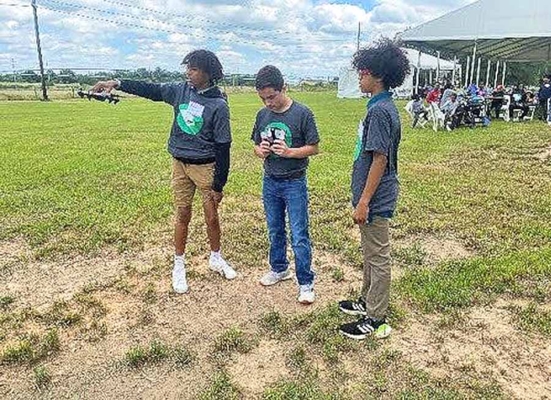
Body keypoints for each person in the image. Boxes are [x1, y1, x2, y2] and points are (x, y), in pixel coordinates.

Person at [91, 49, 237, 294]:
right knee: (182, 215)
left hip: (205, 167)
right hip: (179, 163)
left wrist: (218, 185)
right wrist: (115, 82)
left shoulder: (218, 105)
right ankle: (178, 265)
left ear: (208, 73)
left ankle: (216, 257)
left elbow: (224, 145)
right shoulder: (180, 90)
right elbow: (151, 90)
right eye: (187, 68)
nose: (187, 73)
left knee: (212, 216)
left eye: (193, 69)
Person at [338, 38, 410, 340]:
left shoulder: (380, 111)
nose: (359, 77)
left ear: (377, 75)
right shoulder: (380, 106)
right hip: (370, 195)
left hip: (376, 197)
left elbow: (380, 159)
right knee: (369, 252)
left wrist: (365, 200)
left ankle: (376, 317)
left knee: (378, 257)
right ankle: (366, 300)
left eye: (363, 72)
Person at [251, 65, 320, 305]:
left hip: (294, 182)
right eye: (263, 98)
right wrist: (262, 151)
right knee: (274, 229)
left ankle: (305, 281)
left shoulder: (302, 113)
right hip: (270, 180)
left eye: (271, 96)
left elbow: (314, 147)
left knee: (299, 234)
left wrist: (290, 152)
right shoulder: (262, 115)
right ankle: (279, 268)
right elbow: (256, 146)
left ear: (284, 88)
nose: (268, 103)